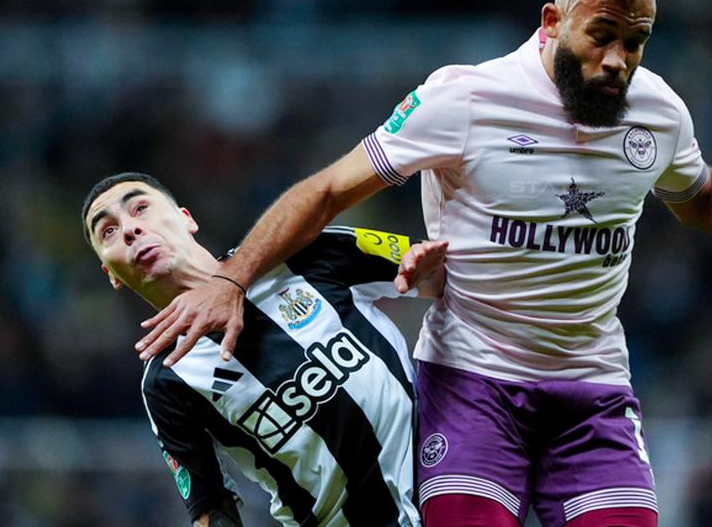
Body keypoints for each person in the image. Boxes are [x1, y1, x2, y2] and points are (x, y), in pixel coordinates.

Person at [134, 0, 712, 527]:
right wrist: (230, 278)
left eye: (634, 43)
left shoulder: (657, 112)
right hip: (471, 385)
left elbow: (698, 197)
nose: (617, 60)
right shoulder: (464, 98)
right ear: (552, 21)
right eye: (601, 35)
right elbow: (325, 190)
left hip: (592, 391)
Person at [82, 172, 446, 526]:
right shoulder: (167, 380)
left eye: (140, 208)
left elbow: (441, 276)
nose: (129, 229)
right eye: (108, 231)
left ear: (186, 219)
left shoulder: (296, 250)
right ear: (111, 274)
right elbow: (211, 507)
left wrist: (424, 265)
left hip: (450, 478)